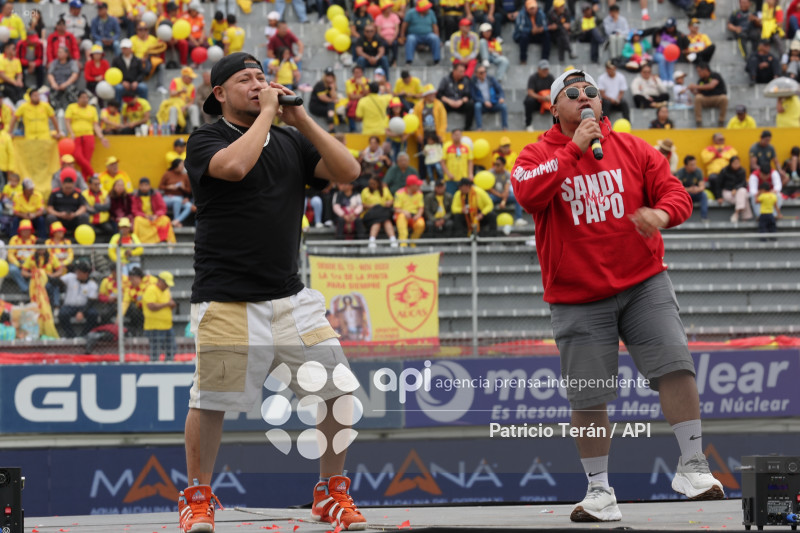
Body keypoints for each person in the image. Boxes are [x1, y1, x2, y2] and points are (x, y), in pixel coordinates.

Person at [511, 68, 724, 523]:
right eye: (574, 93)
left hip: (643, 281)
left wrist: (662, 216)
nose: (585, 97)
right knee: (589, 394)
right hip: (577, 294)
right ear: (554, 107)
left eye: (592, 92)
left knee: (676, 365)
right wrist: (573, 149)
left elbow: (676, 193)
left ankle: (693, 466)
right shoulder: (535, 155)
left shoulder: (632, 147)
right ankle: (600, 491)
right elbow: (528, 195)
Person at [181, 52, 364, 533]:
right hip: (227, 297)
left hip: (289, 297)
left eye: (263, 77)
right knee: (213, 399)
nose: (260, 84)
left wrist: (298, 115)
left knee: (337, 389)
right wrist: (266, 113)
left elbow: (348, 171)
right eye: (246, 79)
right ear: (219, 93)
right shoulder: (205, 138)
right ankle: (197, 498)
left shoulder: (288, 137)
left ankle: (331, 493)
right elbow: (236, 168)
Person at [65, 90, 110, 178]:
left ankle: (85, 183)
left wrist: (101, 137)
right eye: (83, 97)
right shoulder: (71, 107)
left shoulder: (92, 109)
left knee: (87, 160)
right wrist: (71, 133)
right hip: (76, 136)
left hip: (89, 136)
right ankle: (93, 175)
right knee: (78, 157)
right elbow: (67, 122)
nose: (85, 100)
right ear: (78, 99)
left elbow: (95, 125)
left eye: (86, 98)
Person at [22, 246, 63, 338]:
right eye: (39, 249)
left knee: (55, 286)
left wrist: (52, 275)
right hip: (35, 281)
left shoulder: (52, 257)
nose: (41, 250)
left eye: (43, 249)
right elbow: (23, 272)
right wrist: (33, 274)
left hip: (47, 280)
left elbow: (60, 270)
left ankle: (56, 306)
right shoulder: (31, 257)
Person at [141, 270, 177, 360]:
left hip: (167, 326)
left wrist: (171, 304)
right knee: (155, 352)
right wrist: (167, 304)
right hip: (155, 327)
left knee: (172, 349)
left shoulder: (166, 290)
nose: (167, 286)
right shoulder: (151, 289)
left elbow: (170, 302)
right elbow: (151, 306)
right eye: (166, 284)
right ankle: (153, 369)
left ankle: (169, 367)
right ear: (160, 281)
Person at [58, 261, 99, 338]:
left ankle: (85, 334)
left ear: (86, 274)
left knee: (94, 314)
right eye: (76, 271)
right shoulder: (71, 277)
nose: (77, 274)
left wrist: (82, 312)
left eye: (79, 272)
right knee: (62, 314)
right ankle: (71, 335)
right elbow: (58, 282)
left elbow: (91, 301)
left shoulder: (92, 284)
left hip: (84, 307)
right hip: (69, 306)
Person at [131, 177, 176, 243]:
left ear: (149, 186)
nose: (144, 187)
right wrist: (144, 216)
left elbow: (163, 208)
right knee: (137, 220)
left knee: (165, 219)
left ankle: (165, 239)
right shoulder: (135, 196)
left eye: (146, 185)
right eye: (142, 185)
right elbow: (134, 210)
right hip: (144, 219)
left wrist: (156, 215)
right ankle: (139, 241)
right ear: (139, 187)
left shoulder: (156, 195)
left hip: (155, 217)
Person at [46, 169, 90, 234]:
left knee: (85, 216)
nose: (68, 190)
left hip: (74, 218)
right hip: (60, 219)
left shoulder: (78, 193)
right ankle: (53, 238)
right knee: (50, 217)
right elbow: (49, 208)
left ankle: (81, 236)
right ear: (62, 184)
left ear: (74, 185)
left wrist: (75, 214)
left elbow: (83, 207)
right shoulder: (55, 193)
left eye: (70, 188)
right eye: (66, 188)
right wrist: (59, 214)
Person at [399, 0, 441, 65]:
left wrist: (437, 37)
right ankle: (409, 61)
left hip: (428, 35)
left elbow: (435, 26)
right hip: (414, 35)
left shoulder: (431, 12)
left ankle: (437, 60)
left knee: (435, 38)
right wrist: (402, 36)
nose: (428, 9)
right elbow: (404, 25)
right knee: (410, 39)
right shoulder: (411, 13)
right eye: (426, 8)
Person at [361, 174, 397, 248]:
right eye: (370, 184)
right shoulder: (365, 191)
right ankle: (392, 239)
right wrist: (372, 206)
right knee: (380, 218)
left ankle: (373, 239)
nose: (372, 185)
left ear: (378, 183)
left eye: (374, 184)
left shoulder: (385, 190)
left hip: (383, 213)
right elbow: (362, 205)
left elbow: (391, 200)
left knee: (383, 220)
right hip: (370, 213)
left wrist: (389, 202)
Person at [688, 62, 728, 128]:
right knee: (698, 98)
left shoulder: (715, 75)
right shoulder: (700, 81)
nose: (699, 74)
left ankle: (721, 121)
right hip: (706, 99)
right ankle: (699, 122)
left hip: (717, 99)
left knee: (724, 98)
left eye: (699, 71)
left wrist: (695, 86)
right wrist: (692, 90)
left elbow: (711, 86)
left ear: (705, 69)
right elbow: (698, 93)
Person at [488, 155, 525, 224]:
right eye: (495, 164)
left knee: (517, 198)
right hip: (495, 195)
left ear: (503, 165)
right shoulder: (490, 173)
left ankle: (519, 219)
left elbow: (507, 189)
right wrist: (500, 195)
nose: (495, 166)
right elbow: (489, 189)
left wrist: (504, 201)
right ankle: (491, 220)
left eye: (498, 164)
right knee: (488, 200)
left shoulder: (507, 174)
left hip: (505, 195)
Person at [438, 62, 474, 130]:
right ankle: (441, 127)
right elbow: (439, 94)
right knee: (440, 104)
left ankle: (467, 128)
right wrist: (449, 101)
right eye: (460, 72)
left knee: (471, 104)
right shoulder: (445, 79)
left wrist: (461, 101)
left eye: (463, 71)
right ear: (454, 71)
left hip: (460, 103)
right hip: (448, 103)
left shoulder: (465, 80)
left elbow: (468, 95)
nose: (462, 74)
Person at [700, 132, 737, 198]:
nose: (722, 140)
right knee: (713, 178)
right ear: (714, 140)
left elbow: (733, 157)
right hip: (714, 173)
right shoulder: (708, 149)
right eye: (719, 139)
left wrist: (721, 154)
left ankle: (728, 196)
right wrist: (715, 153)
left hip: (727, 172)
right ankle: (718, 197)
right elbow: (705, 159)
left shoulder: (729, 148)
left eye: (723, 139)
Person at [513, 0, 550, 65]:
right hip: (526, 35)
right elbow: (520, 28)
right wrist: (531, 30)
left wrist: (541, 29)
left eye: (534, 8)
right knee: (524, 36)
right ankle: (523, 59)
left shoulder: (541, 13)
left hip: (537, 34)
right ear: (527, 9)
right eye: (531, 8)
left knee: (546, 35)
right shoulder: (522, 14)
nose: (533, 10)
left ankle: (544, 59)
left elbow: (545, 26)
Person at [472, 65, 508, 130]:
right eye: (481, 73)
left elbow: (500, 90)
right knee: (477, 106)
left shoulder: (491, 79)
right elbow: (474, 96)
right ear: (476, 74)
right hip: (483, 105)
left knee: (503, 106)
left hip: (493, 103)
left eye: (485, 72)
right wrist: (484, 102)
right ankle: (479, 128)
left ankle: (505, 127)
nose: (483, 74)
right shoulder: (473, 82)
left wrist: (501, 97)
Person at [159, 159, 193, 227]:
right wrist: (168, 187)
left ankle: (176, 221)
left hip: (180, 198)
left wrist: (183, 188)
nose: (183, 167)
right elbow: (160, 186)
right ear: (176, 166)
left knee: (189, 206)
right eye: (181, 165)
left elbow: (189, 190)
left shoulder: (185, 176)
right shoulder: (167, 174)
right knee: (177, 200)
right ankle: (176, 221)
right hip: (167, 197)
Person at [718, 156, 753, 222]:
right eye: (735, 163)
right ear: (731, 163)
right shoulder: (724, 171)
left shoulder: (742, 171)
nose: (737, 165)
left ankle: (736, 213)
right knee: (744, 197)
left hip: (738, 192)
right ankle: (744, 218)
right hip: (728, 192)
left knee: (742, 191)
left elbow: (743, 183)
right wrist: (719, 196)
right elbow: (719, 184)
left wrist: (736, 189)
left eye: (738, 163)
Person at [393, 174, 425, 246]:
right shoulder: (399, 193)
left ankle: (412, 242)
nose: (419, 186)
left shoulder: (419, 193)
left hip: (414, 216)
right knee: (401, 217)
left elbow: (421, 208)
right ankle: (403, 244)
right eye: (417, 185)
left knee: (421, 223)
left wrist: (418, 215)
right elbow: (396, 209)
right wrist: (404, 212)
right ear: (411, 185)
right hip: (401, 216)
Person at [167, 67, 200, 133]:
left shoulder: (192, 86)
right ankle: (172, 129)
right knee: (173, 109)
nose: (192, 79)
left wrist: (185, 107)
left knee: (194, 107)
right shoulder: (175, 81)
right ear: (184, 77)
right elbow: (172, 93)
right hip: (175, 105)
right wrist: (180, 91)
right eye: (190, 78)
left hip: (185, 107)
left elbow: (192, 101)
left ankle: (195, 128)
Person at [47, 45, 80, 112]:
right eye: (58, 52)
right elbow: (50, 74)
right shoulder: (54, 62)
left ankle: (73, 111)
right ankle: (55, 112)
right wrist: (53, 83)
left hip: (68, 84)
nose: (58, 54)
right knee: (51, 94)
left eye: (61, 52)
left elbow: (75, 74)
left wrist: (66, 84)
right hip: (56, 84)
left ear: (66, 54)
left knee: (71, 92)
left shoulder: (72, 63)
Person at [524, 59, 554, 132]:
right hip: (537, 101)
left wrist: (550, 96)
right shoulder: (533, 77)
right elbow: (530, 92)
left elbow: (555, 90)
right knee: (529, 101)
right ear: (538, 69)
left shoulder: (550, 77)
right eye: (543, 69)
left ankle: (556, 125)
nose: (545, 71)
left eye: (546, 69)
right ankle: (528, 124)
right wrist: (542, 98)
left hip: (548, 101)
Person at [676, 155, 708, 221]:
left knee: (703, 195)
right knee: (678, 196)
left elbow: (702, 186)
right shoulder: (680, 173)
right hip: (685, 194)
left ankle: (704, 217)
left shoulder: (698, 171)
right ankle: (679, 218)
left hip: (696, 193)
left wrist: (697, 189)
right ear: (686, 166)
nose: (694, 166)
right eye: (692, 165)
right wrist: (689, 189)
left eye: (695, 164)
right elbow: (678, 188)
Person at [442, 129, 474, 194]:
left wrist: (470, 174)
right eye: (455, 135)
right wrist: (448, 174)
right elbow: (442, 162)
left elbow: (470, 161)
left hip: (464, 178)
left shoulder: (466, 147)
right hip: (451, 178)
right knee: (451, 197)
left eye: (459, 135)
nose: (457, 136)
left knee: (463, 197)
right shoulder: (446, 147)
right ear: (452, 136)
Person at [309, 67, 340, 133]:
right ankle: (331, 122)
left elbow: (334, 97)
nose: (330, 77)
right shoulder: (320, 84)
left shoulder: (332, 85)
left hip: (325, 106)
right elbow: (322, 98)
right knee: (331, 103)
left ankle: (331, 122)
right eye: (328, 75)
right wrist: (332, 101)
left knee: (332, 104)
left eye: (331, 75)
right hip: (315, 106)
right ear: (325, 76)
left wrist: (332, 88)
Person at [375, 1, 401, 67]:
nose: (390, 9)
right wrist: (386, 39)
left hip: (393, 37)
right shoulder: (379, 18)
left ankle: (394, 61)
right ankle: (385, 61)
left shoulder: (394, 16)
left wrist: (392, 38)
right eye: (388, 8)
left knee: (395, 44)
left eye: (390, 8)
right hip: (383, 38)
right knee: (383, 44)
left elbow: (397, 29)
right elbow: (379, 31)